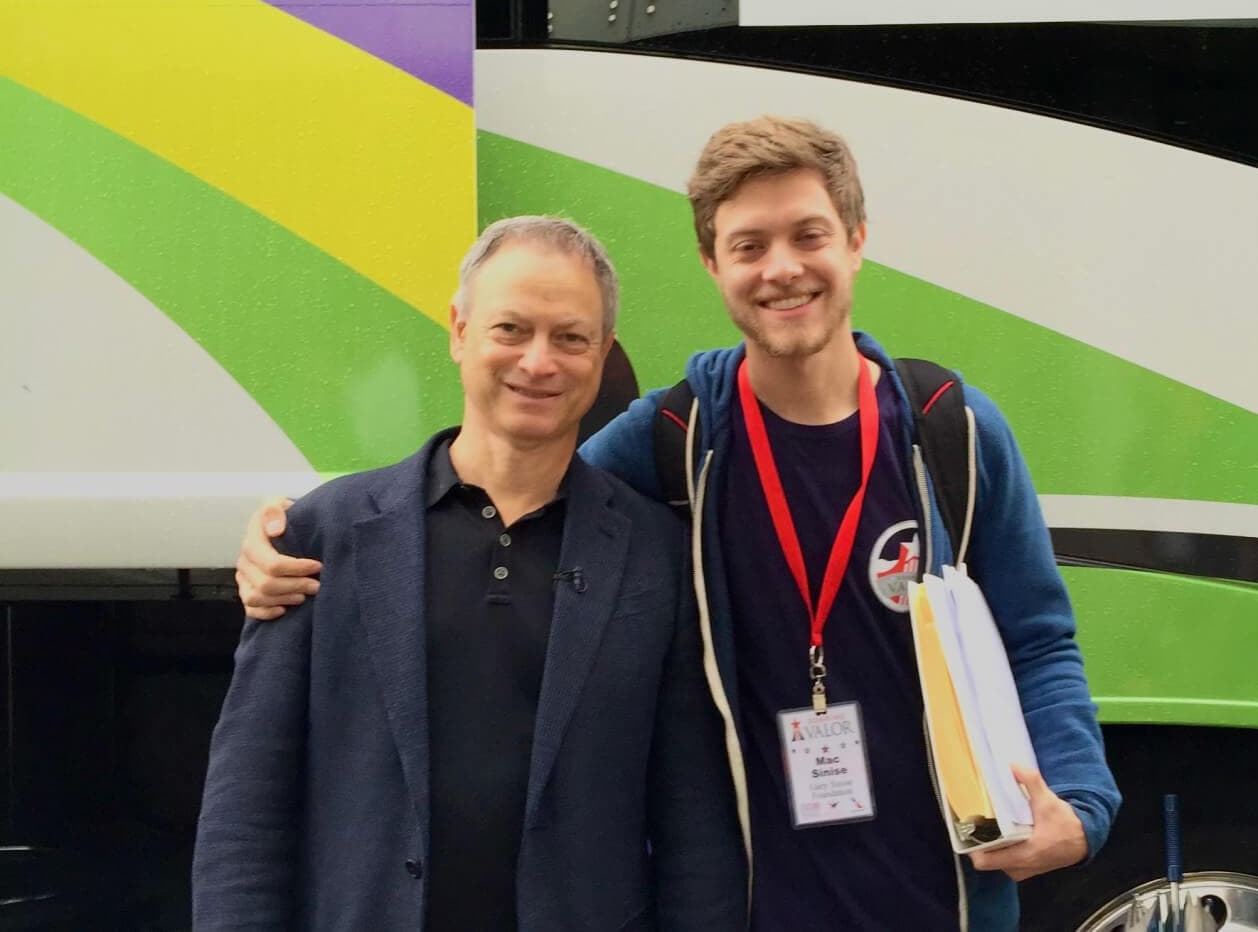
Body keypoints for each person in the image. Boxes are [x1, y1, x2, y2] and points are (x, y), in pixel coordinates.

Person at [237, 121, 1121, 932]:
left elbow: (1037, 639)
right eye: (749, 245)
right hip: (752, 900)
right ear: (712, 264)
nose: (783, 268)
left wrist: (1079, 800)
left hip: (943, 898)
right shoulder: (671, 444)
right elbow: (504, 479)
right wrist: (283, 543)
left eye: (808, 235)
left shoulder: (950, 433)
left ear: (855, 240)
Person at [196, 217, 745, 932]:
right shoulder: (320, 539)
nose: (539, 362)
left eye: (571, 337)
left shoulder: (657, 557)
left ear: (604, 354)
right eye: (510, 329)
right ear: (458, 331)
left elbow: (694, 825)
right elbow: (247, 810)